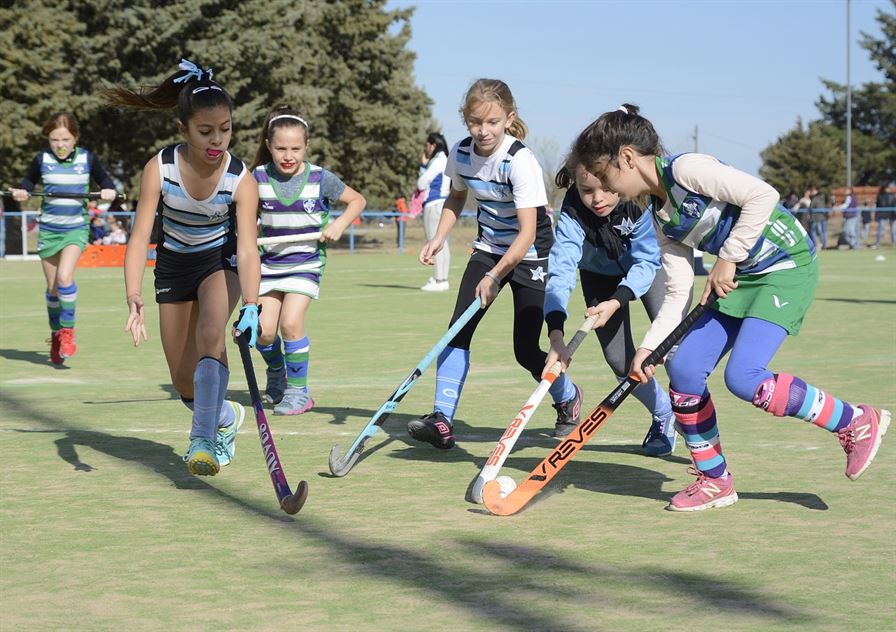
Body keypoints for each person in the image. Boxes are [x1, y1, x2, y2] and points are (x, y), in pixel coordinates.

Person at [570, 104, 890, 512]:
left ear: (628, 158)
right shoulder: (660, 218)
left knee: (743, 376)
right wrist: (650, 347)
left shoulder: (686, 170)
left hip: (785, 266)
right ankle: (714, 481)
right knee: (684, 370)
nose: (604, 187)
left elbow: (762, 195)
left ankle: (854, 421)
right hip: (740, 278)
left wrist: (729, 255)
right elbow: (678, 291)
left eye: (605, 175)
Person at [102, 59, 261, 476]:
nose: (217, 139)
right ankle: (225, 416)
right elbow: (140, 237)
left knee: (211, 333)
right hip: (173, 265)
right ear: (183, 129)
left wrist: (252, 303)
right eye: (205, 131)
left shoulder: (240, 179)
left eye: (225, 129)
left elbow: (248, 249)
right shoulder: (159, 169)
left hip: (219, 261)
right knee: (183, 381)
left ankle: (202, 440)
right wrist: (133, 295)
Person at [408, 78, 581, 448]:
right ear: (465, 119)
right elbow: (456, 197)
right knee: (457, 330)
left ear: (509, 119)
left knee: (525, 349)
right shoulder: (460, 153)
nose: (483, 130)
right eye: (475, 122)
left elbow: (528, 233)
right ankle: (442, 419)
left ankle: (568, 396)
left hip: (531, 255)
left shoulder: (520, 161)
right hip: (488, 248)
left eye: (492, 122)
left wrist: (495, 275)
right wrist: (439, 237)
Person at [545, 160, 688, 452]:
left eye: (607, 188)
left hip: (648, 268)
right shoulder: (572, 210)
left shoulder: (637, 199)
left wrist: (617, 300)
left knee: (676, 349)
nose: (597, 199)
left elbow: (646, 260)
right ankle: (663, 412)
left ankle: (693, 419)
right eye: (587, 190)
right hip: (598, 277)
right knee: (619, 361)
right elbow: (561, 270)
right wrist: (556, 334)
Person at [250, 104, 366, 415]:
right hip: (268, 265)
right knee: (263, 331)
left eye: (296, 149)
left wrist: (339, 224)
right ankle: (277, 372)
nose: (288, 156)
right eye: (281, 149)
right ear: (268, 146)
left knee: (290, 323)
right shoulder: (256, 177)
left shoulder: (320, 178)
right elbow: (241, 213)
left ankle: (299, 392)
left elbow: (357, 200)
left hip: (305, 263)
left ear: (306, 146)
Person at [8, 112, 118, 365]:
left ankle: (68, 331)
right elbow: (28, 182)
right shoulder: (42, 159)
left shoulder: (87, 158)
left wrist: (108, 190)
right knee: (53, 290)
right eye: (54, 139)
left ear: (75, 138)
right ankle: (56, 334)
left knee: (65, 278)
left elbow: (105, 180)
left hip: (75, 229)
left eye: (65, 139)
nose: (60, 145)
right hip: (49, 231)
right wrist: (22, 191)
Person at [416, 132, 452, 292]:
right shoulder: (445, 159)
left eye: (427, 145)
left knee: (434, 241)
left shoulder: (438, 160)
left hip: (434, 204)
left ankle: (439, 280)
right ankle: (442, 279)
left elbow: (421, 183)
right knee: (442, 242)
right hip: (442, 203)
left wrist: (423, 166)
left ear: (433, 145)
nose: (426, 149)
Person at [873, 184, 895, 249]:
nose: (888, 189)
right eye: (887, 188)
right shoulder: (880, 196)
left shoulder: (892, 196)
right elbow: (878, 206)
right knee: (880, 228)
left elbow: (894, 205)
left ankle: (894, 242)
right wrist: (877, 216)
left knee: (893, 229)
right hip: (883, 214)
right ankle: (878, 242)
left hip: (891, 214)